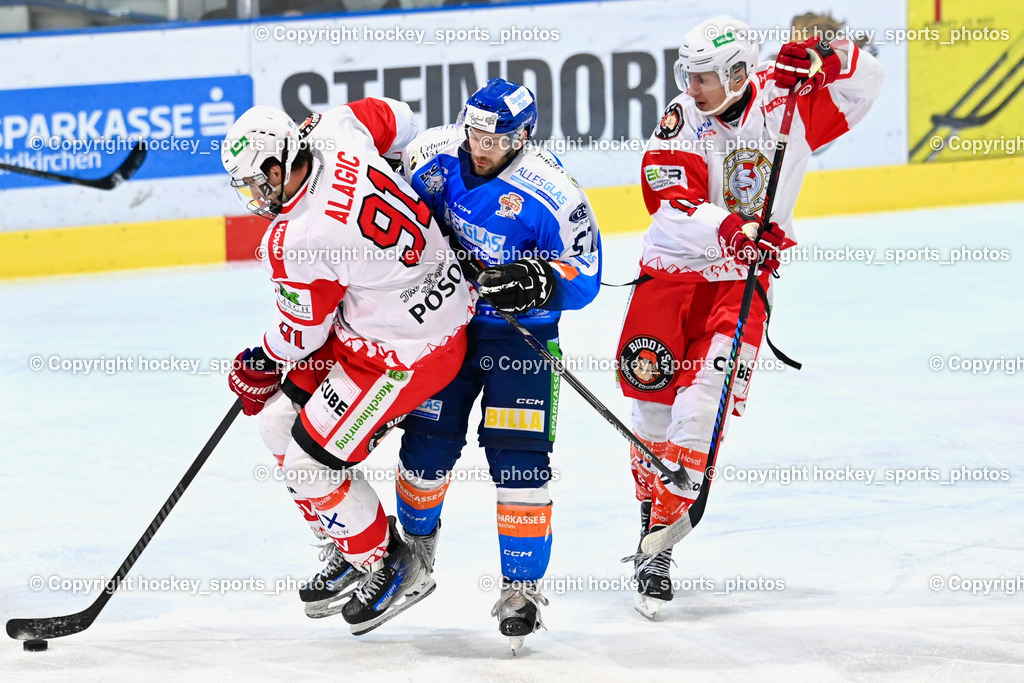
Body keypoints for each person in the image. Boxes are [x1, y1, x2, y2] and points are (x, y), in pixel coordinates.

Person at [616, 15, 883, 618]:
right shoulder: (682, 118)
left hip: (738, 286)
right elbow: (668, 199)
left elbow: (868, 78)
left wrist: (821, 49)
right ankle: (650, 515)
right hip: (671, 274)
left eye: (706, 76)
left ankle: (658, 545)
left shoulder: (789, 101)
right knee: (652, 407)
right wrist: (733, 229)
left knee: (704, 401)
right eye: (688, 74)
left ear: (740, 72)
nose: (693, 86)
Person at [221, 98, 476, 635]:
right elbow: (405, 119)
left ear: (278, 165)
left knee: (308, 466)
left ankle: (389, 566)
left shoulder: (299, 238)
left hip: (410, 350)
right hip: (391, 317)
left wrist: (258, 361)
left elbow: (300, 334)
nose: (255, 198)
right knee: (275, 421)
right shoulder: (337, 125)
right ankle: (348, 537)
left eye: (256, 183)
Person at [395, 77, 601, 653]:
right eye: (476, 134)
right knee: (425, 448)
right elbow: (383, 194)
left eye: (496, 138)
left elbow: (586, 271)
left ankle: (522, 587)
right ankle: (411, 553)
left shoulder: (553, 192)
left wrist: (540, 280)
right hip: (446, 328)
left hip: (521, 341)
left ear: (524, 135)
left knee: (519, 463)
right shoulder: (435, 155)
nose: (481, 147)